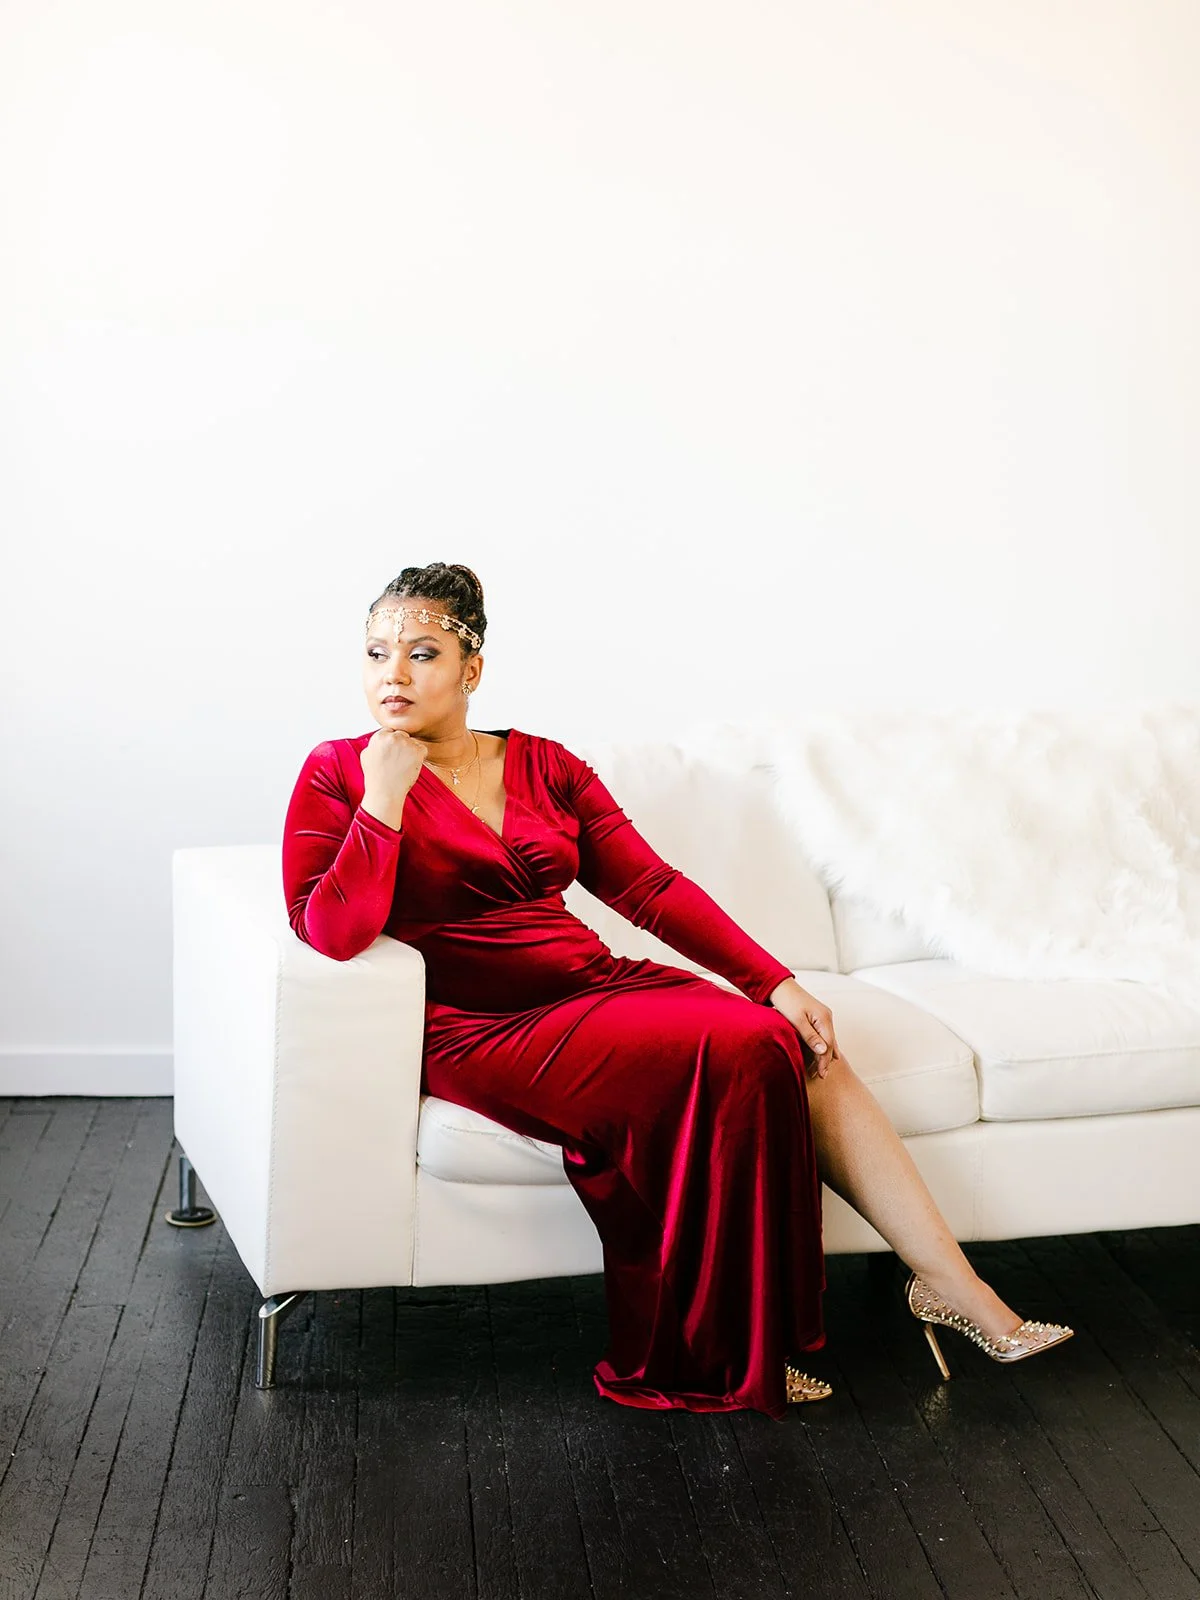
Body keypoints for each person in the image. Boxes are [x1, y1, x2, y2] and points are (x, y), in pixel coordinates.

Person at [281, 561, 1073, 1420]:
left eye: (421, 653)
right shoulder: (338, 771)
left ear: (472, 670)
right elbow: (330, 931)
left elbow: (649, 888)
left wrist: (774, 982)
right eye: (376, 653)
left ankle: (948, 1284)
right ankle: (730, 1349)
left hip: (591, 984)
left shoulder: (547, 765)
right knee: (743, 1047)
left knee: (794, 1039)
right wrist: (384, 799)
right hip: (479, 1027)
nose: (393, 674)